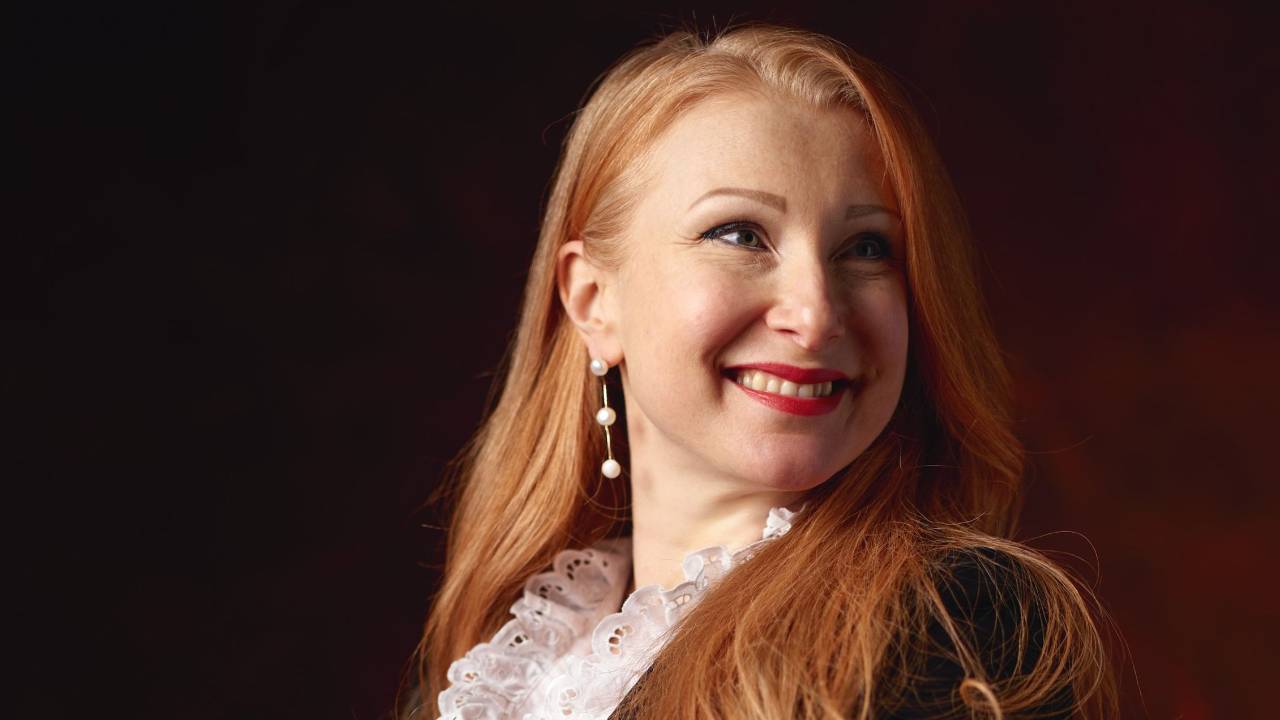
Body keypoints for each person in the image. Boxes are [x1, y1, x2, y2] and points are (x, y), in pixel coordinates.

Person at [400, 22, 1118, 720]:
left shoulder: (951, 626)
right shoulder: (525, 654)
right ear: (594, 300)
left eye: (867, 247)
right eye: (740, 234)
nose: (816, 313)